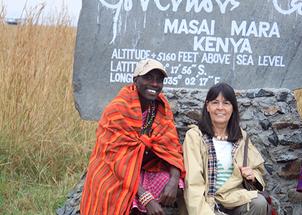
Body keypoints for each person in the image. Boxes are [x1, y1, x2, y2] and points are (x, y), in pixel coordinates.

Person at [80, 58, 185, 215]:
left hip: (142, 168)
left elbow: (171, 147)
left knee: (177, 184)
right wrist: (145, 197)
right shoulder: (118, 109)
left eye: (159, 80)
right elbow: (115, 160)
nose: (155, 84)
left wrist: (174, 179)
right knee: (114, 193)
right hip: (114, 171)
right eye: (148, 78)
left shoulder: (160, 106)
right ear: (136, 80)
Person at [182, 82, 268, 215]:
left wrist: (252, 175)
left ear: (233, 108)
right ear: (208, 106)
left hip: (234, 197)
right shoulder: (195, 136)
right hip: (208, 200)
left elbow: (257, 170)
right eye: (215, 102)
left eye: (226, 103)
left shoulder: (241, 137)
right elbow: (193, 182)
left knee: (259, 203)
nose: (220, 108)